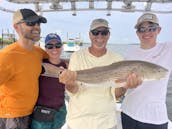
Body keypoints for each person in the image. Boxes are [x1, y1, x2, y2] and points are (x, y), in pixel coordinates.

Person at [59, 18, 142, 129]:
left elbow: (116, 95)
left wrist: (125, 86)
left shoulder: (117, 59)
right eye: (95, 32)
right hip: (78, 122)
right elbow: (73, 90)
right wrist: (68, 82)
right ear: (90, 35)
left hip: (106, 123)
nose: (100, 36)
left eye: (104, 33)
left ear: (108, 35)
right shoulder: (77, 56)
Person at [118, 13, 172, 129]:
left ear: (159, 30)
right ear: (137, 33)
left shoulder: (168, 49)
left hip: (155, 119)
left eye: (151, 28)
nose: (146, 33)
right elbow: (120, 87)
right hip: (128, 113)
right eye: (142, 29)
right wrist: (126, 85)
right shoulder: (129, 55)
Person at [0, 8, 48, 129]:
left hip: (32, 112)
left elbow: (55, 61)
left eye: (38, 23)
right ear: (16, 27)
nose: (36, 27)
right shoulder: (6, 56)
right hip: (12, 116)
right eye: (30, 23)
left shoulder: (38, 52)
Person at [30, 33, 67, 129]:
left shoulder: (66, 66)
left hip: (59, 111)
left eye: (57, 45)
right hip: (41, 113)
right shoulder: (39, 65)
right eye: (50, 46)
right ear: (45, 48)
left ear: (62, 47)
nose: (54, 49)